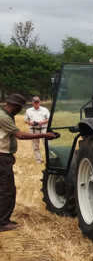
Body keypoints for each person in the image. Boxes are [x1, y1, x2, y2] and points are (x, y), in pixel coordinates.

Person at [1, 94, 57, 231]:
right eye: (19, 108)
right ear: (15, 106)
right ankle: (2, 223)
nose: (20, 111)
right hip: (2, 157)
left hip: (4, 156)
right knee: (6, 190)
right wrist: (44, 135)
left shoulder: (5, 115)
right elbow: (20, 135)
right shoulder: (3, 117)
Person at [24, 96, 50, 164]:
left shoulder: (45, 109)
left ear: (40, 102)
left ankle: (50, 159)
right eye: (35, 102)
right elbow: (26, 120)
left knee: (47, 145)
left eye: (37, 102)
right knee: (35, 145)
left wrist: (41, 122)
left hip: (44, 129)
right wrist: (30, 123)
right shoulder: (28, 110)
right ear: (32, 102)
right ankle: (39, 160)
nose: (36, 103)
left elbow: (49, 119)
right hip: (33, 129)